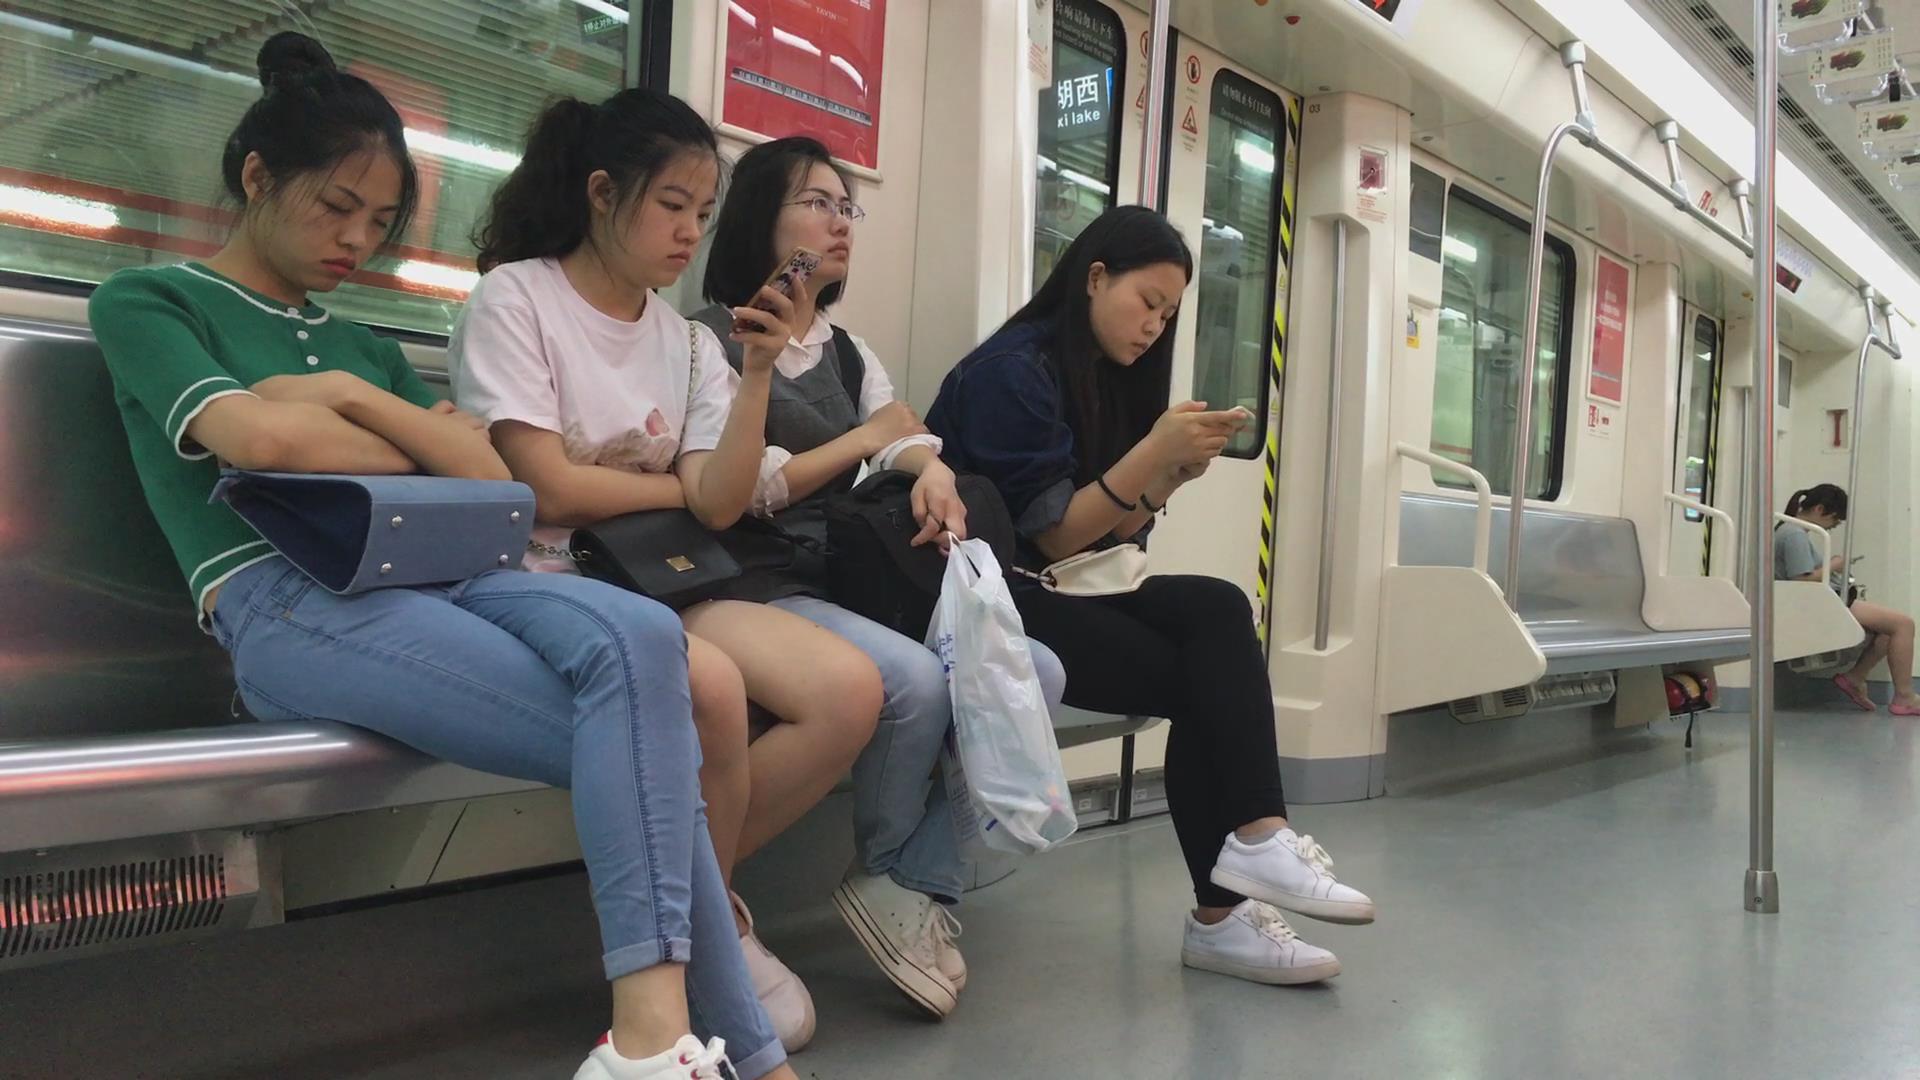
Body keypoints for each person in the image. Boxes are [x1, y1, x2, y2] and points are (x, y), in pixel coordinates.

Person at [87, 34, 791, 1080]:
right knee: (652, 741)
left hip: (453, 574)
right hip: (285, 601)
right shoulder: (151, 303)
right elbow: (259, 440)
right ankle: (735, 1058)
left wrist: (346, 398)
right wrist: (398, 434)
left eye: (379, 222)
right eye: (337, 208)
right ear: (257, 178)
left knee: (646, 640)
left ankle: (659, 1044)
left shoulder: (363, 349)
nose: (357, 241)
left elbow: (487, 472)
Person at [449, 92, 884, 1050]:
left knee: (850, 690)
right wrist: (667, 488)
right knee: (712, 687)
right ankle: (702, 947)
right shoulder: (517, 300)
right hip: (547, 575)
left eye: (703, 212)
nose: (691, 233)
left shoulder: (686, 340)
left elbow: (718, 503)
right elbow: (547, 489)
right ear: (603, 194)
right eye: (672, 206)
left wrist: (757, 373)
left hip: (659, 575)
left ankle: (698, 910)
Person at [926, 205, 1377, 986]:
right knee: (1204, 679)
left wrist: (1164, 478)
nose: (1154, 326)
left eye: (1167, 315)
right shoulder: (1011, 373)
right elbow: (1054, 535)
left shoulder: (1099, 375)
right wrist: (1150, 457)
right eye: (1148, 302)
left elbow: (1109, 532)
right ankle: (1226, 910)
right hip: (986, 596)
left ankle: (1257, 843)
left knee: (1219, 607)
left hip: (1053, 584)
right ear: (1095, 277)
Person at [693, 136, 1070, 1019]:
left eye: (846, 207)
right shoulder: (710, 339)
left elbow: (899, 433)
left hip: (855, 576)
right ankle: (895, 872)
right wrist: (869, 442)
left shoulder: (850, 351)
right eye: (816, 203)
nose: (839, 224)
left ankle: (907, 878)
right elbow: (756, 486)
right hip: (765, 579)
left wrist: (929, 468)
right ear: (761, 218)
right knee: (913, 683)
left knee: (1039, 673)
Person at [1776, 484, 1920, 716]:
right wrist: (1834, 565)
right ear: (1819, 509)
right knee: (1904, 625)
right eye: (1834, 520)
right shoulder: (1794, 534)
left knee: (1887, 633)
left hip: (1819, 602)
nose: (1834, 526)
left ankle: (1855, 678)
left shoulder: (1790, 531)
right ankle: (1905, 697)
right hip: (1818, 604)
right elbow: (1801, 579)